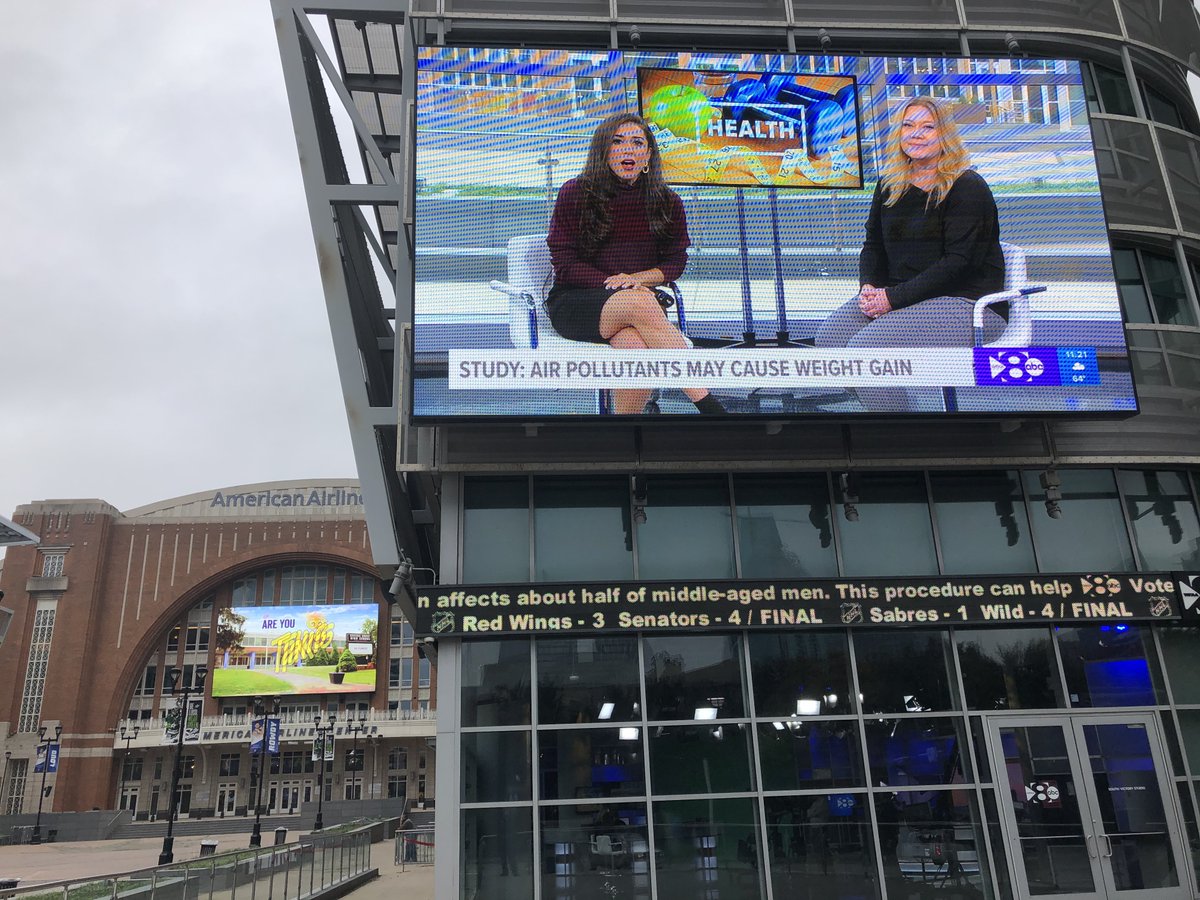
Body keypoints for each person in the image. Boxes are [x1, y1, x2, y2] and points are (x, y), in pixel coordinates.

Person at [814, 97, 1006, 411]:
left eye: (927, 127)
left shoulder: (967, 187)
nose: (915, 134)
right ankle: (899, 412)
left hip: (966, 303)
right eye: (908, 125)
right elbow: (873, 245)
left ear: (945, 135)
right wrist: (869, 287)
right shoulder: (889, 184)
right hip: (902, 296)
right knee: (830, 342)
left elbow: (959, 265)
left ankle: (901, 435)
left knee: (866, 350)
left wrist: (892, 299)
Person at [546, 112, 724, 415]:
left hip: (638, 304)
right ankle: (711, 408)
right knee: (639, 302)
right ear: (603, 151)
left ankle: (623, 436)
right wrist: (617, 284)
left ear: (648, 155)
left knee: (635, 348)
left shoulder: (668, 201)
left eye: (637, 143)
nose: (628, 149)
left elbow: (676, 260)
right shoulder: (574, 192)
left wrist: (636, 278)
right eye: (618, 142)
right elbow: (564, 262)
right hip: (578, 302)